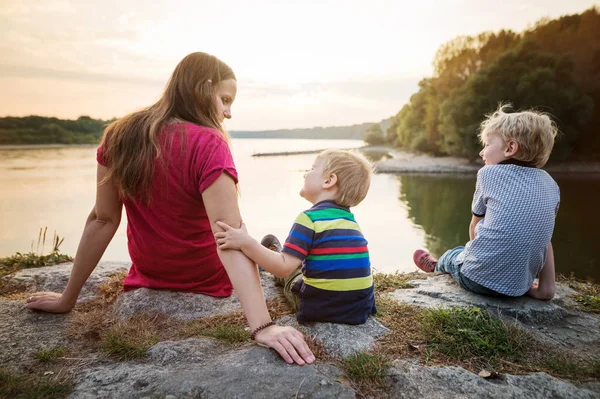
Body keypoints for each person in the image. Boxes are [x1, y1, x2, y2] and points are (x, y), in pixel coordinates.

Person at [24, 52, 315, 365]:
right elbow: (228, 238)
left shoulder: (118, 134)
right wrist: (263, 326)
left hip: (150, 271)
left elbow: (102, 219)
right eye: (225, 99)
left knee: (254, 243)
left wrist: (68, 298)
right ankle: (272, 256)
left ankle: (267, 252)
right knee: (250, 241)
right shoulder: (209, 143)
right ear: (204, 88)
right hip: (205, 276)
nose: (228, 113)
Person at [413, 105, 559, 300]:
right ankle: (547, 287)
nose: (482, 153)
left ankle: (436, 266)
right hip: (518, 285)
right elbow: (543, 237)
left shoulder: (488, 173)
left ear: (510, 148)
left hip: (477, 280)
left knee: (454, 254)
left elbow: (475, 224)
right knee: (543, 231)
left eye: (487, 145)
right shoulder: (551, 184)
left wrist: (475, 259)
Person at [215, 149, 377, 325]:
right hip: (359, 308)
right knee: (306, 261)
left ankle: (271, 252)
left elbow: (283, 268)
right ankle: (278, 250)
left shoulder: (309, 219)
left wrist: (245, 242)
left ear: (329, 180)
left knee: (291, 274)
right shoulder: (351, 222)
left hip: (322, 307)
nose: (305, 174)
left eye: (312, 169)